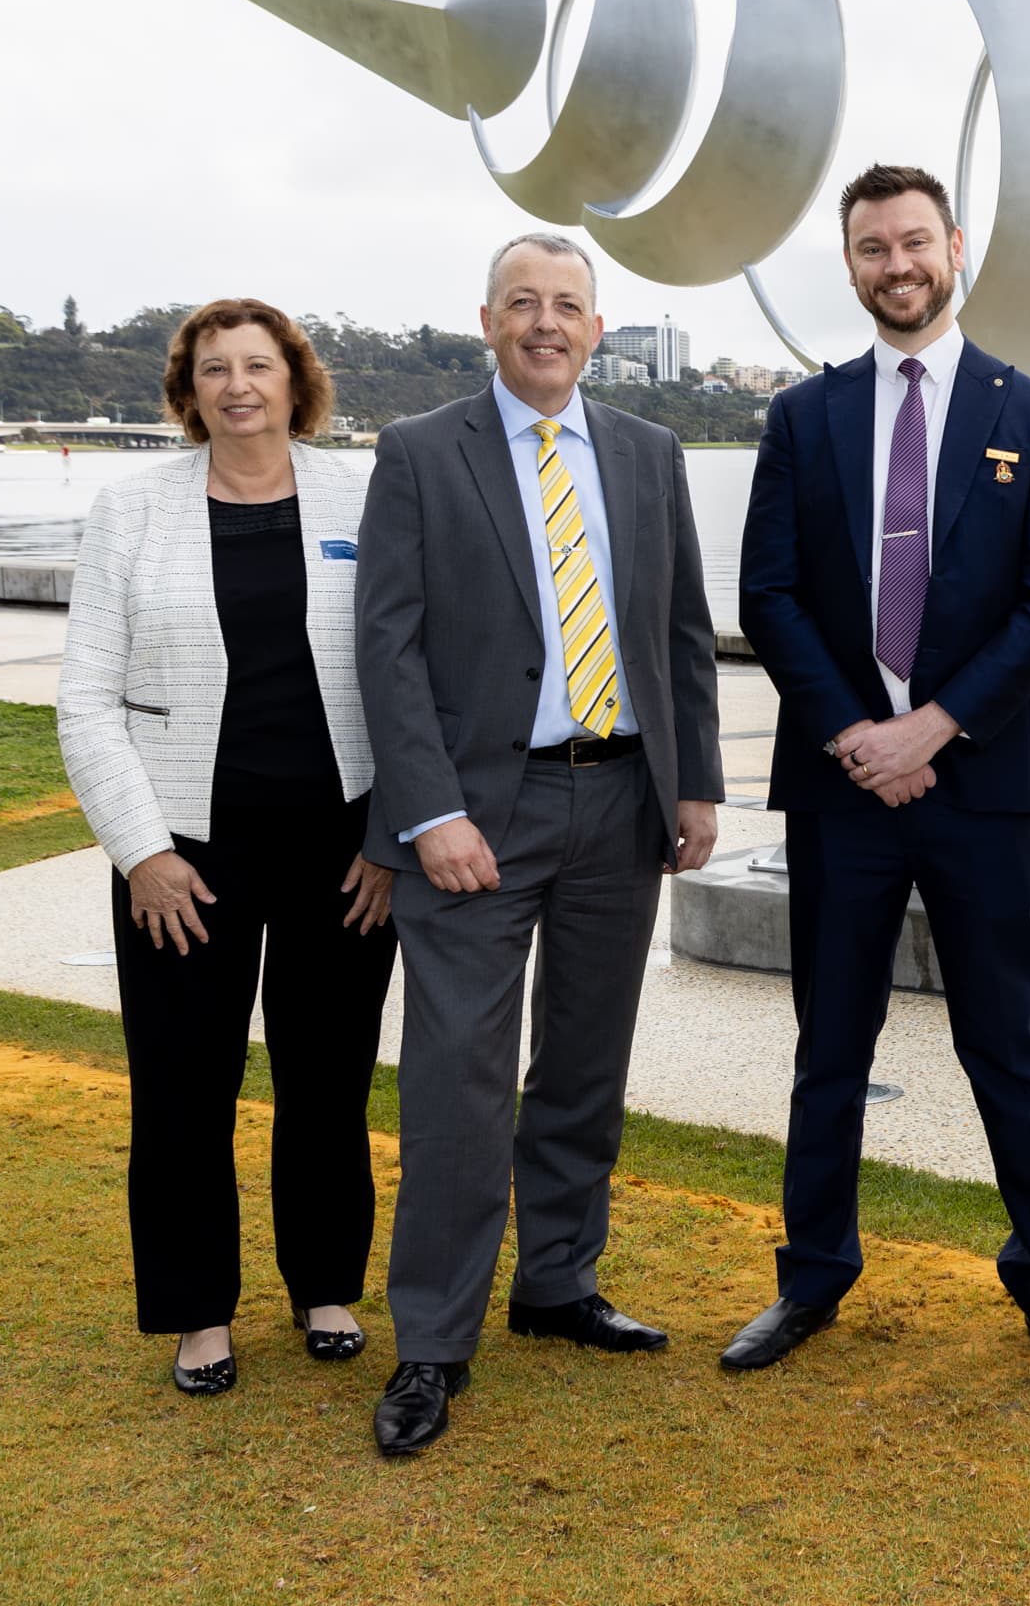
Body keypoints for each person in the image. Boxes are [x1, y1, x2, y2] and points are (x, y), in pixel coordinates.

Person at [722, 163, 1030, 1380]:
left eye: (913, 242)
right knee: (829, 1044)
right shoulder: (802, 415)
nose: (896, 264)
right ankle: (812, 1279)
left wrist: (931, 726)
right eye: (871, 248)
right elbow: (768, 595)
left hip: (983, 788)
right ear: (850, 266)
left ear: (954, 247)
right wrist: (857, 736)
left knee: (1012, 1044)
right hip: (841, 790)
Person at [354, 233, 724, 1458]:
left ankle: (558, 1281)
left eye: (568, 304)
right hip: (476, 818)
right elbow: (388, 649)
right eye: (526, 302)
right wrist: (430, 811)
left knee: (583, 1063)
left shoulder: (650, 454)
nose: (547, 322)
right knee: (458, 1079)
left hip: (622, 806)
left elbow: (680, 631)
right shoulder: (418, 454)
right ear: (488, 320)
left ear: (598, 328)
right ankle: (433, 1343)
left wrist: (700, 785)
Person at [54, 298, 398, 1396]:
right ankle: (199, 1310)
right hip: (185, 852)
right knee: (181, 1085)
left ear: (297, 381)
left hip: (341, 844)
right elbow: (84, 699)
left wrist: (393, 834)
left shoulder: (364, 492)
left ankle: (326, 1285)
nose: (239, 385)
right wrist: (140, 851)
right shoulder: (129, 509)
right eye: (216, 369)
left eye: (259, 365)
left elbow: (412, 672)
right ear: (188, 390)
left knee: (329, 1078)